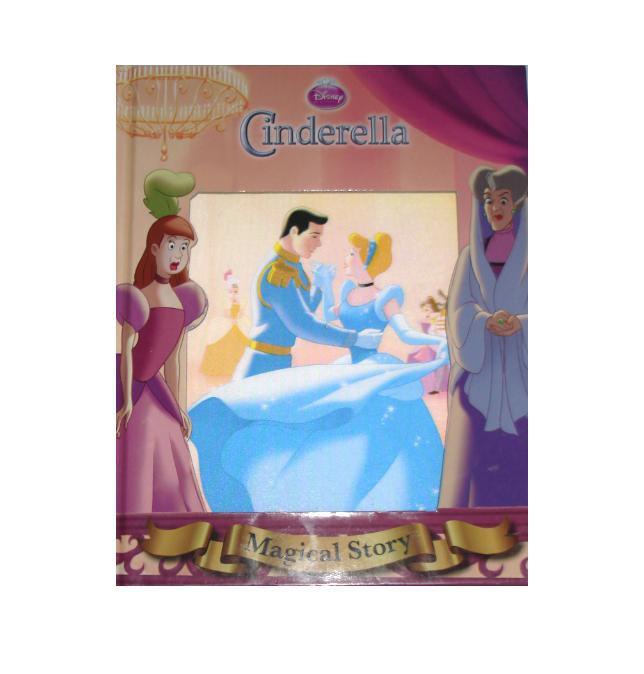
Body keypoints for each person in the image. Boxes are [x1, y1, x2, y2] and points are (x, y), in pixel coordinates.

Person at [189, 230, 448, 512]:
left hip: (375, 370)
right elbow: (326, 316)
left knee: (371, 433)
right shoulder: (348, 291)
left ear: (366, 259)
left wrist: (439, 341)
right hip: (349, 370)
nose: (346, 258)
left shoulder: (385, 297)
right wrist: (324, 284)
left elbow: (406, 333)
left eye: (352, 253)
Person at [116, 169, 208, 513]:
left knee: (170, 457)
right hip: (131, 386)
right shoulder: (137, 296)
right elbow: (129, 351)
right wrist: (126, 400)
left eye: (184, 248)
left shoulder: (184, 298)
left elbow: (174, 359)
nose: (178, 254)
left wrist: (178, 404)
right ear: (154, 248)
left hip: (157, 390)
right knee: (138, 452)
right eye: (172, 245)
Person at [440, 165, 528, 508]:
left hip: (526, 379)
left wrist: (522, 324)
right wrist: (483, 322)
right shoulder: (470, 257)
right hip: (479, 379)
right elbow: (458, 311)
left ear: (517, 203)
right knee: (476, 468)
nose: (495, 208)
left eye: (503, 199)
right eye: (489, 200)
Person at [232, 208, 383, 380]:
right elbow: (301, 323)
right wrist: (354, 339)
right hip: (261, 365)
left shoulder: (293, 266)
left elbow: (301, 311)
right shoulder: (279, 271)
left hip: (277, 361)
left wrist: (319, 285)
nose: (318, 244)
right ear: (294, 231)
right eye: (314, 236)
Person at [200, 270, 248, 378]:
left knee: (242, 338)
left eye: (235, 291)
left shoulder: (239, 301)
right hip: (228, 322)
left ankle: (240, 368)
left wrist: (238, 316)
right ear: (228, 291)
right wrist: (231, 318)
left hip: (237, 323)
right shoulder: (225, 301)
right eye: (231, 291)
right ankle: (222, 368)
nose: (233, 294)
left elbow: (241, 311)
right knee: (221, 337)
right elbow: (225, 312)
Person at [406, 293, 450, 394]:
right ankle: (436, 387)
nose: (426, 312)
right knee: (441, 364)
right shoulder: (432, 319)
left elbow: (440, 332)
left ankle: (439, 387)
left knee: (445, 364)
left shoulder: (439, 317)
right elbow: (430, 331)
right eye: (425, 310)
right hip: (438, 345)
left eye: (427, 309)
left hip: (444, 344)